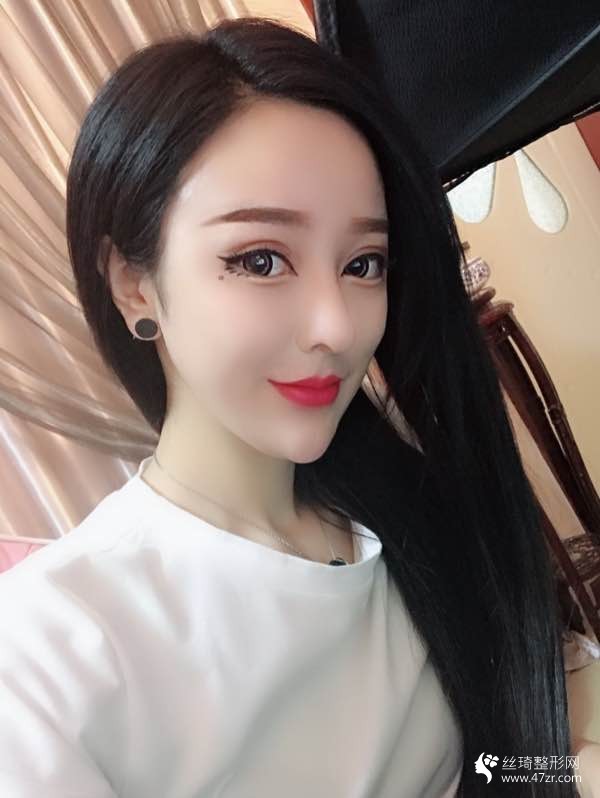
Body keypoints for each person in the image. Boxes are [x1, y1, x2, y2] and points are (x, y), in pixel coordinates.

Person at [0, 16, 582, 797]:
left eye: (363, 263)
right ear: (134, 284)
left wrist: (575, 766)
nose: (336, 327)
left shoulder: (409, 514)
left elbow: (507, 751)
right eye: (261, 259)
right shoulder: (48, 656)